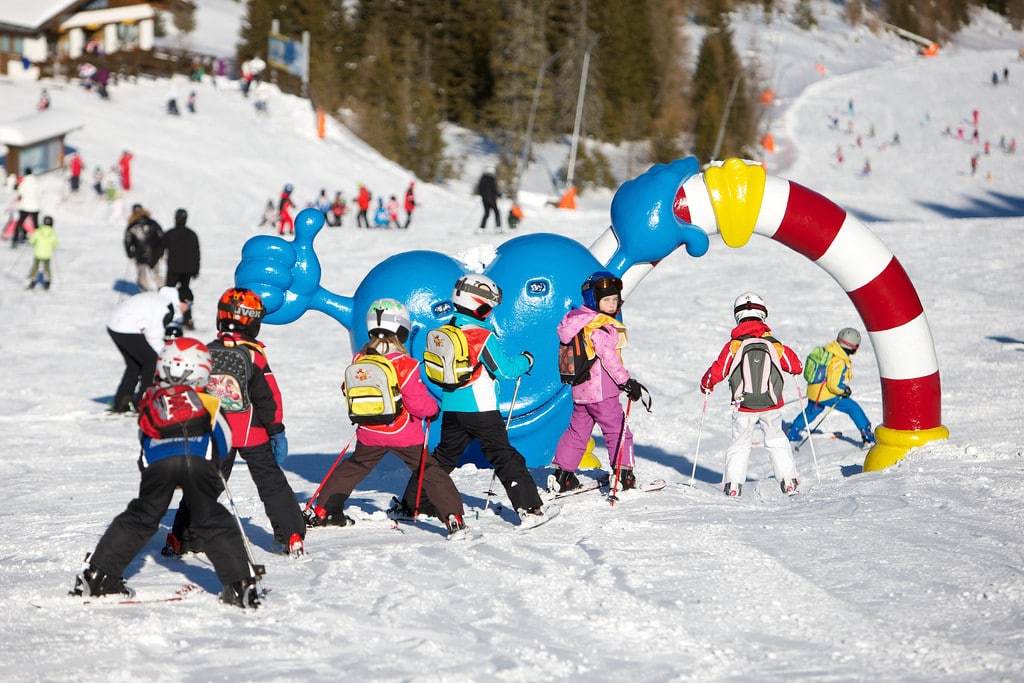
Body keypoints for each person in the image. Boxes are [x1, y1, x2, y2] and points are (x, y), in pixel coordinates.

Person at [70, 337, 261, 608]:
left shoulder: (153, 398)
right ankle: (239, 585)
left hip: (158, 463)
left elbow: (145, 434)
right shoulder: (206, 399)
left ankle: (99, 576)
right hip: (198, 461)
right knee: (211, 518)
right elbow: (224, 437)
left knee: (140, 517)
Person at [305, 299, 469, 537]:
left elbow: (346, 389)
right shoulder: (405, 365)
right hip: (403, 432)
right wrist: (432, 410)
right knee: (428, 469)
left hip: (370, 431)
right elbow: (416, 403)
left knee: (355, 466)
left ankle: (324, 510)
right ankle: (452, 516)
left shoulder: (360, 359)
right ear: (401, 329)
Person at [167, 288, 306, 557]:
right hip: (253, 433)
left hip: (217, 435)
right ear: (251, 322)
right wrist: (276, 430)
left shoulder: (205, 353)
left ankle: (183, 538)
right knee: (271, 483)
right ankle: (290, 535)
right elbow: (268, 397)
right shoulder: (254, 355)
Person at [397, 275, 547, 524]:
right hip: (481, 408)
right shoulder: (480, 336)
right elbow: (505, 370)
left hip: (452, 407)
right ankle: (530, 508)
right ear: (479, 305)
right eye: (488, 308)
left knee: (443, 457)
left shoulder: (444, 332)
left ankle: (413, 504)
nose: (489, 314)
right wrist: (526, 360)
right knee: (503, 455)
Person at [549, 272, 645, 493]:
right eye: (606, 300)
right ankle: (623, 474)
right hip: (603, 392)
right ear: (593, 300)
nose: (612, 305)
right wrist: (626, 382)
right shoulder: (598, 326)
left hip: (581, 390)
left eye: (615, 299)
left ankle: (562, 476)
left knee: (577, 431)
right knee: (617, 430)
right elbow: (609, 360)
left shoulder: (576, 321)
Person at [699, 293, 803, 497]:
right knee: (776, 440)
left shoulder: (734, 345)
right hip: (772, 403)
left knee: (740, 444)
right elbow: (796, 366)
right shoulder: (773, 344)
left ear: (737, 316)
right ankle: (789, 480)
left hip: (743, 404)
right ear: (762, 314)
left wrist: (706, 384)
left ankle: (734, 485)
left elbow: (718, 370)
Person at [106, 286, 190, 413]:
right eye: (189, 304)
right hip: (125, 326)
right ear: (182, 301)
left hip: (115, 324)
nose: (188, 308)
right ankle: (143, 403)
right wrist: (167, 356)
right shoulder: (166, 306)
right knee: (151, 361)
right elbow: (154, 337)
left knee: (134, 365)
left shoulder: (161, 299)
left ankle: (121, 402)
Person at [786, 328, 876, 446]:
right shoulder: (839, 360)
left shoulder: (828, 350)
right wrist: (843, 390)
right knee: (853, 408)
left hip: (814, 390)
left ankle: (792, 431)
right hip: (825, 393)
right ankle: (868, 436)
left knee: (812, 411)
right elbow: (833, 385)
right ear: (853, 347)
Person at [163, 208, 200, 329]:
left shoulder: (170, 233)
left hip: (174, 269)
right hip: (188, 269)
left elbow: (159, 248)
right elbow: (196, 253)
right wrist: (196, 269)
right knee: (185, 293)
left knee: (169, 292)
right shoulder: (191, 234)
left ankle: (168, 316)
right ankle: (187, 318)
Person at [124, 204, 165, 291]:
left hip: (140, 254)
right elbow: (162, 236)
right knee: (156, 274)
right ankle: (162, 290)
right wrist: (161, 250)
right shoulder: (153, 223)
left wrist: (129, 253)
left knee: (142, 275)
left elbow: (127, 241)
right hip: (155, 253)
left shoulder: (131, 226)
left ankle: (146, 292)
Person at [26, 215, 58, 290]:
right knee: (46, 268)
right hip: (47, 254)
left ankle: (32, 280)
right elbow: (55, 244)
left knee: (35, 266)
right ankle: (47, 281)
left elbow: (32, 240)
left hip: (38, 253)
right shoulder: (52, 233)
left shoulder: (38, 231)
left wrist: (31, 242)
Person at [12, 168, 41, 248]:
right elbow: (40, 195)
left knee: (19, 223)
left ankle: (15, 240)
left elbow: (19, 195)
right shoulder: (36, 182)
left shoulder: (23, 183)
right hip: (35, 206)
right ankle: (39, 241)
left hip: (25, 206)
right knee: (36, 225)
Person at [477, 166, 501, 231]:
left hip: (484, 199)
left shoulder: (483, 179)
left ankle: (482, 227)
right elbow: (494, 189)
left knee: (487, 213)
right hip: (492, 199)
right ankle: (498, 227)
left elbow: (480, 189)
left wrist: (482, 195)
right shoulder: (491, 179)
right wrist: (498, 194)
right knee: (496, 212)